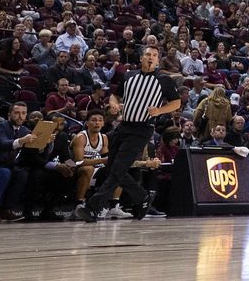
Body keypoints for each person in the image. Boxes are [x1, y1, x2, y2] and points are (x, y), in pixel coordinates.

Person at [75, 45, 181, 221]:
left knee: (118, 169)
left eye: (155, 55)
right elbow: (115, 96)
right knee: (111, 168)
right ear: (141, 58)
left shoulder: (163, 79)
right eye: (148, 54)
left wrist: (160, 110)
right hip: (123, 126)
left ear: (157, 60)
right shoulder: (129, 75)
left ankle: (92, 207)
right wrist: (114, 104)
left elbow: (176, 103)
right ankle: (142, 197)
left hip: (142, 129)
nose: (150, 57)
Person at [0, 101, 36, 220]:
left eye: (23, 113)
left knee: (22, 173)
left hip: (9, 165)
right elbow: (3, 144)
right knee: (5, 172)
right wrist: (22, 140)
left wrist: (46, 144)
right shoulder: (0, 127)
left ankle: (6, 209)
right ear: (9, 115)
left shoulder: (25, 130)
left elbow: (34, 151)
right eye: (17, 113)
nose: (20, 116)